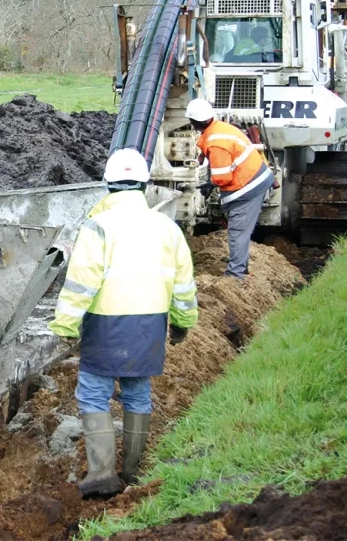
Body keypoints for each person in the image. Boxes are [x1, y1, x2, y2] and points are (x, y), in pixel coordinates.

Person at [48, 148, 198, 497]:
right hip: (149, 326)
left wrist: (66, 326)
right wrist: (182, 323)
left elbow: (81, 283)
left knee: (93, 395)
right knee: (137, 394)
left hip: (106, 325)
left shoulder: (98, 226)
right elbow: (184, 284)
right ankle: (132, 473)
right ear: (145, 184)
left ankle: (101, 476)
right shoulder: (167, 228)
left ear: (109, 185)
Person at [185, 97, 275, 279]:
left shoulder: (217, 143)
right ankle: (241, 265)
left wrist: (211, 184)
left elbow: (223, 176)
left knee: (238, 230)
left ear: (194, 122)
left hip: (248, 186)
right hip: (253, 179)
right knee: (241, 229)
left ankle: (235, 274)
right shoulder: (219, 129)